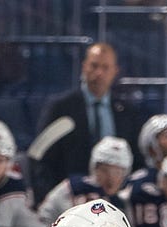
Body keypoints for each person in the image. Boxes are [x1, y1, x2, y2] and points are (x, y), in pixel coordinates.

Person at [32, 42, 144, 200]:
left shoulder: (128, 112)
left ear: (115, 72)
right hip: (69, 200)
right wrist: (50, 198)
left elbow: (138, 160)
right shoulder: (60, 108)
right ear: (84, 67)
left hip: (116, 202)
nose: (99, 73)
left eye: (105, 68)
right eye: (94, 66)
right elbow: (41, 157)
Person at [37, 136, 133, 224]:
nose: (111, 178)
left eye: (117, 172)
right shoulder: (72, 188)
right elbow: (44, 218)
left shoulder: (128, 198)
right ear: (94, 169)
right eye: (104, 170)